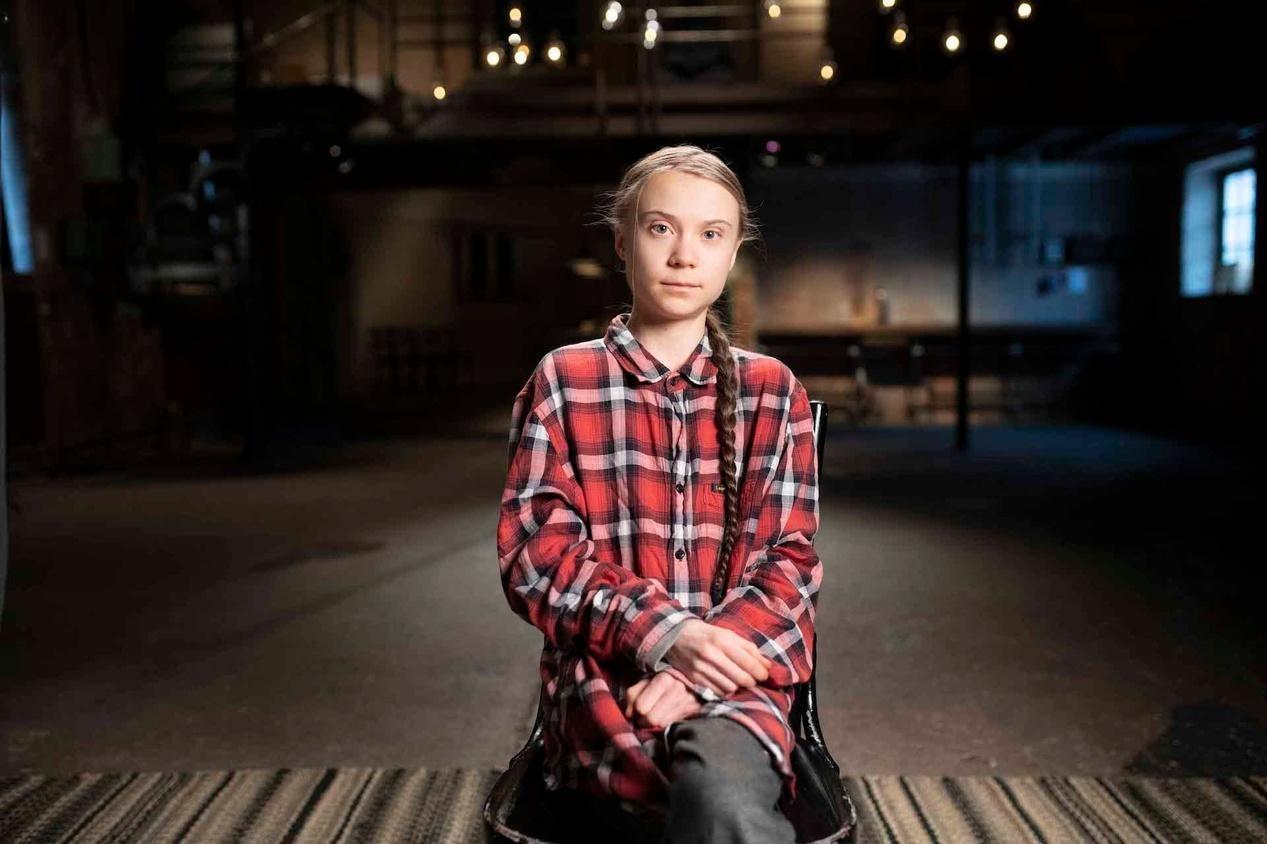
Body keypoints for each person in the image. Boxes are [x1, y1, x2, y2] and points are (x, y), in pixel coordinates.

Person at [496, 144, 823, 843]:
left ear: (732, 252)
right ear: (622, 240)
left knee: (723, 799)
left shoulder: (772, 391)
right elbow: (536, 558)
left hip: (737, 683)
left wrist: (702, 666)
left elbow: (790, 566)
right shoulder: (564, 381)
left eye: (710, 234)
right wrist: (667, 635)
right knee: (649, 807)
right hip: (604, 687)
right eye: (660, 228)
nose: (683, 255)